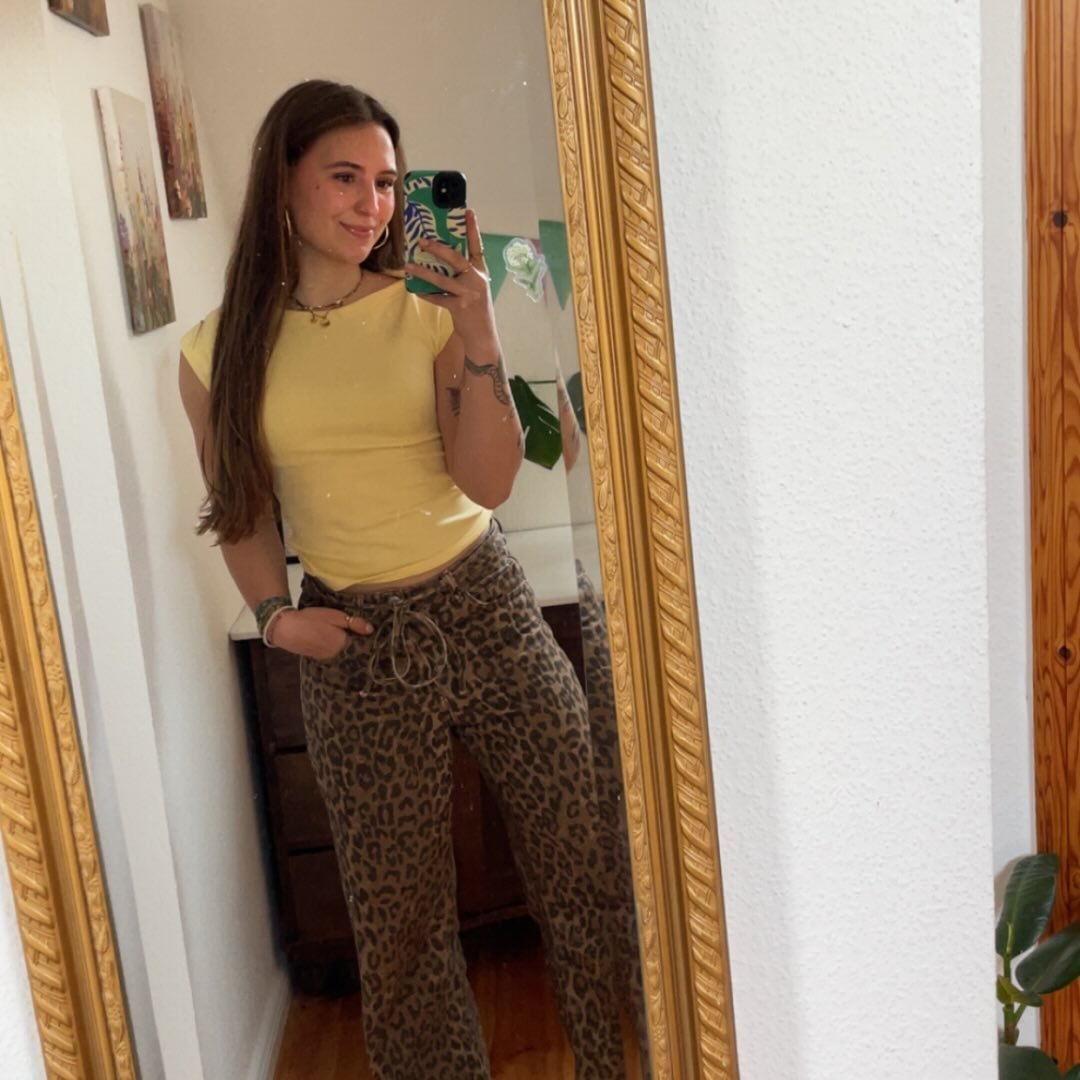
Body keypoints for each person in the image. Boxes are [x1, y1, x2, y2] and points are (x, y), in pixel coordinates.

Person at [178, 80, 625, 1080]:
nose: (373, 204)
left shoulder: (427, 312)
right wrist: (276, 619)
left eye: (386, 182)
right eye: (345, 178)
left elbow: (489, 482)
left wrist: (480, 333)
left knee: (586, 864)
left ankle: (620, 1064)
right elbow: (240, 511)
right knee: (400, 931)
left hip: (487, 607)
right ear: (282, 182)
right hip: (357, 645)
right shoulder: (215, 352)